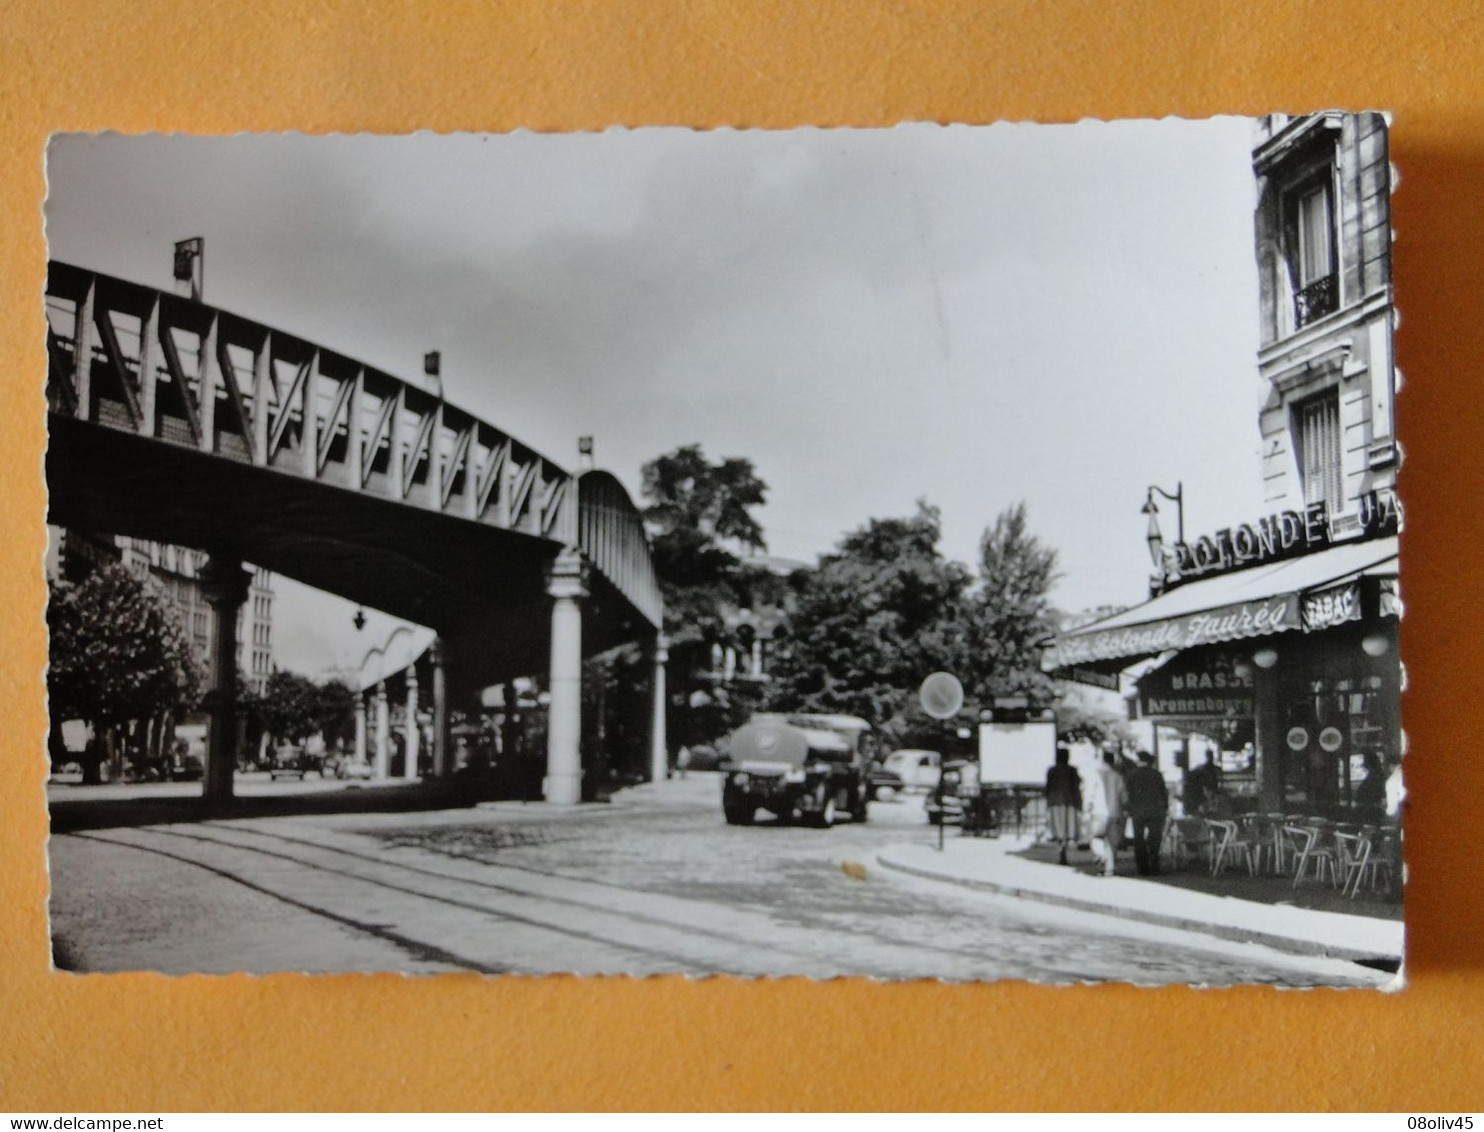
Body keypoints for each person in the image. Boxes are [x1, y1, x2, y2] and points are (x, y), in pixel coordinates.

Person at [1085, 749, 1128, 877]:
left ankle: (1101, 856)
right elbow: (1124, 796)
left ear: (1103, 759)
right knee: (1112, 841)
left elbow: (1089, 793)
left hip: (1098, 811)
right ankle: (1110, 868)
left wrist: (1087, 806)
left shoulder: (1095, 774)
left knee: (1095, 836)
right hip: (1115, 812)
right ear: (1113, 761)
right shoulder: (1118, 776)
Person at [1126, 750, 1170, 876]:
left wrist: (1129, 809)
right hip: (1155, 811)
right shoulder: (1157, 774)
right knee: (1154, 839)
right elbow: (1164, 793)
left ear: (1140, 760)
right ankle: (1154, 865)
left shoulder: (1132, 775)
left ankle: (1142, 868)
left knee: (1138, 840)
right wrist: (1165, 808)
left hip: (1138, 811)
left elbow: (1128, 793)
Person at [1044, 746, 1082, 865]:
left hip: (1055, 802)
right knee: (1067, 828)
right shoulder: (1072, 770)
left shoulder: (1052, 770)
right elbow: (1077, 786)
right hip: (1069, 802)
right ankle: (1063, 852)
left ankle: (1061, 850)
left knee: (1058, 828)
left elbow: (1048, 787)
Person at [1183, 749, 1222, 815]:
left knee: (1211, 800)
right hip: (1209, 787)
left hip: (1210, 787)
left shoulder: (1202, 768)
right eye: (1210, 756)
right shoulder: (1212, 768)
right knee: (1211, 800)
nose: (1211, 757)